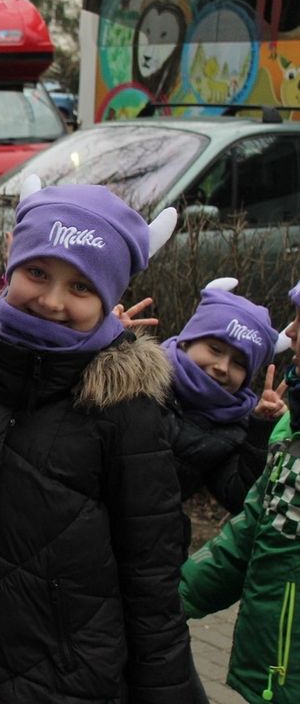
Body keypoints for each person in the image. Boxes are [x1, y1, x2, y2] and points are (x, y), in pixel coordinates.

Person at [0, 179, 195, 701]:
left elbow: (150, 576)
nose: (52, 300)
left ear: (110, 297)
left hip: (65, 680)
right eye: (38, 273)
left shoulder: (125, 409)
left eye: (81, 288)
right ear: (12, 257)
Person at [179, 280, 300, 704]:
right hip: (275, 662)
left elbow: (237, 491)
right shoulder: (292, 430)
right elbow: (250, 532)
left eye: (236, 363)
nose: (296, 331)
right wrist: (172, 600)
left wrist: (255, 433)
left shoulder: (233, 425)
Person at [163, 279, 285, 518]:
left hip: (151, 543)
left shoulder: (232, 428)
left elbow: (238, 496)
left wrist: (261, 433)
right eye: (215, 349)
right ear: (187, 340)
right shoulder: (137, 377)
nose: (222, 367)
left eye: (239, 363)